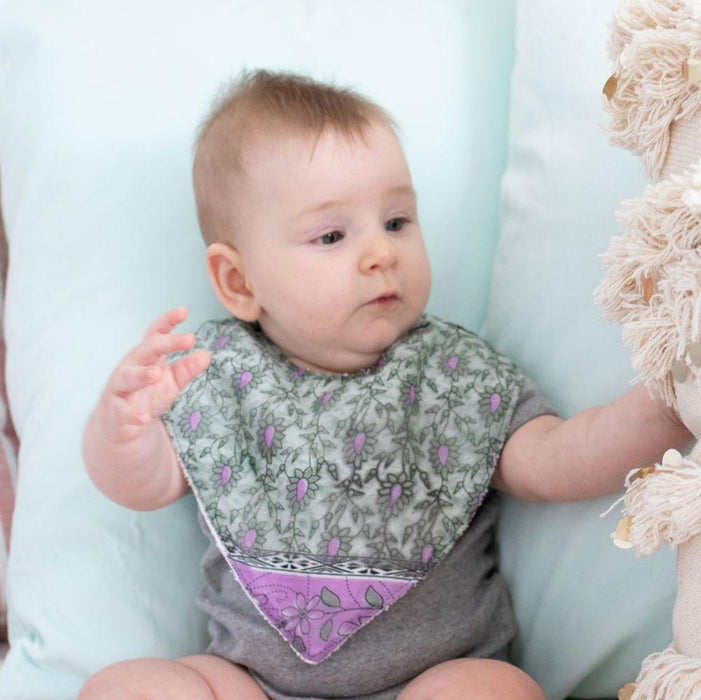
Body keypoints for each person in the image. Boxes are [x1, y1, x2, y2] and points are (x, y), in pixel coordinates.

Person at [79, 71, 692, 700]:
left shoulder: (451, 373)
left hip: (428, 678)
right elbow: (146, 483)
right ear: (239, 282)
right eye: (331, 236)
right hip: (250, 682)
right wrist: (123, 430)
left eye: (397, 221)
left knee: (494, 690)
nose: (381, 253)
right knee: (124, 688)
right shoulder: (216, 377)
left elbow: (556, 458)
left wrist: (669, 406)